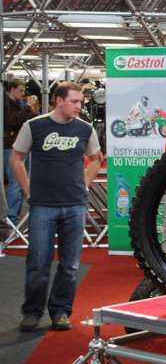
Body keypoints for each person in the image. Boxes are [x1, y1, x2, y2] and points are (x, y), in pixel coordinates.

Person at [11, 82, 102, 331]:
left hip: (75, 205)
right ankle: (32, 312)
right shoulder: (34, 125)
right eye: (74, 101)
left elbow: (96, 158)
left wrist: (85, 185)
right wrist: (27, 190)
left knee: (70, 266)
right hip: (42, 205)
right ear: (59, 101)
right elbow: (16, 159)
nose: (79, 106)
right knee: (38, 264)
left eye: (81, 101)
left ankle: (60, 311)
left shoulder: (85, 128)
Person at [4, 79, 37, 224]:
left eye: (24, 91)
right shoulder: (4, 103)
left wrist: (31, 110)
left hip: (21, 145)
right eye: (21, 90)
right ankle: (10, 217)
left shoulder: (20, 104)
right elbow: (12, 121)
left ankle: (14, 215)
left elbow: (29, 121)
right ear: (12, 89)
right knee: (16, 181)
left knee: (22, 180)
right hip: (10, 146)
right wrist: (28, 107)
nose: (23, 93)